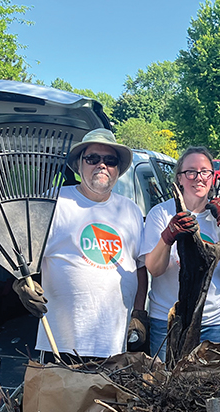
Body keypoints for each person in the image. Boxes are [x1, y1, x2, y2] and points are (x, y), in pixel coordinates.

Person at [12, 128, 147, 359]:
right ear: (79, 164)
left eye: (110, 161)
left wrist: (139, 312)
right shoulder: (54, 201)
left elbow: (140, 266)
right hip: (62, 343)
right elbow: (20, 254)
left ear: (117, 170)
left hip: (115, 344)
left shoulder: (131, 210)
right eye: (93, 158)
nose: (102, 165)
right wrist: (20, 284)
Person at [141, 146, 220, 359]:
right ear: (179, 178)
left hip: (214, 320)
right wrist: (167, 237)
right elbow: (154, 269)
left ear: (212, 177)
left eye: (205, 171)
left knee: (208, 387)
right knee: (163, 385)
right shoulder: (161, 213)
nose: (198, 178)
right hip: (168, 320)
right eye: (191, 172)